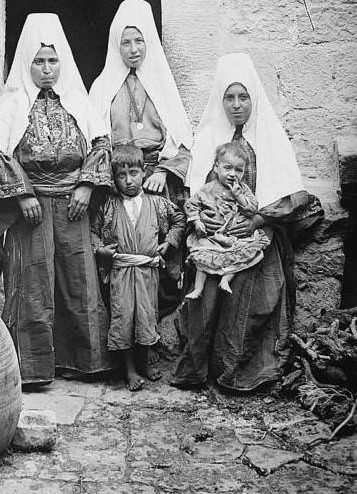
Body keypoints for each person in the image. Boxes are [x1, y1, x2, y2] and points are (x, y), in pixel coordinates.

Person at [172, 53, 323, 392]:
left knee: (252, 292)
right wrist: (206, 220)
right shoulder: (209, 137)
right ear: (220, 101)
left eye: (243, 97)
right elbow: (193, 189)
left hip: (259, 234)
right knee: (204, 296)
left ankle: (239, 374)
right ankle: (198, 371)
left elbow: (294, 194)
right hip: (214, 237)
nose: (236, 105)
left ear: (253, 99)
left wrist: (258, 219)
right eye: (229, 97)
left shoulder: (269, 137)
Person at [0, 13, 113, 387]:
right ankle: (35, 368)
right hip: (32, 210)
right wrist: (21, 195)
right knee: (33, 280)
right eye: (39, 61)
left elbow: (101, 144)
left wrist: (87, 185)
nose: (47, 69)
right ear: (27, 64)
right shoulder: (14, 104)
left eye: (53, 61)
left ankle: (83, 361)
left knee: (78, 278)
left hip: (73, 204)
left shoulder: (79, 102)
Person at [89, 0, 193, 318]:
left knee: (160, 247)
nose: (133, 49)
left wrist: (163, 171)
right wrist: (115, 175)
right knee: (120, 248)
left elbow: (183, 140)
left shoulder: (162, 85)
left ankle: (159, 323)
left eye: (139, 41)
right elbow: (94, 137)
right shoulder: (103, 86)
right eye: (125, 42)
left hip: (155, 177)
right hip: (117, 176)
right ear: (115, 45)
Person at [91, 145, 186, 391]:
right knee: (124, 318)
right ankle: (130, 370)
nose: (128, 181)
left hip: (147, 272)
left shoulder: (157, 203)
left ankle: (144, 362)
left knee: (146, 316)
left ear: (144, 172)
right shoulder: (109, 206)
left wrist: (169, 242)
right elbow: (92, 231)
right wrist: (100, 249)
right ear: (114, 179)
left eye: (133, 173)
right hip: (121, 272)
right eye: (121, 176)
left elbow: (179, 220)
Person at [184, 141, 270, 299]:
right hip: (213, 236)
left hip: (234, 236)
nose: (233, 174)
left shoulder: (243, 190)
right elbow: (191, 205)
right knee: (202, 257)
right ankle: (198, 289)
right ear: (216, 168)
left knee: (240, 257)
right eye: (227, 168)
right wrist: (197, 221)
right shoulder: (207, 189)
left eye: (238, 170)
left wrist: (240, 197)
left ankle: (225, 280)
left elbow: (252, 209)